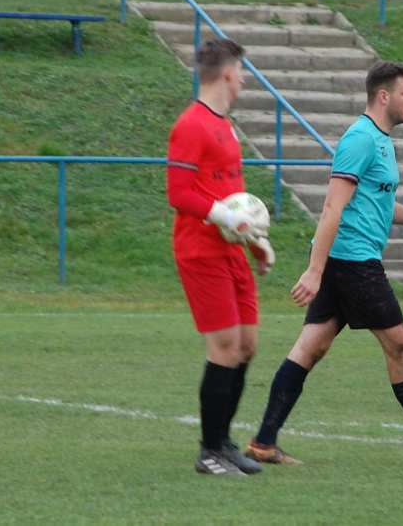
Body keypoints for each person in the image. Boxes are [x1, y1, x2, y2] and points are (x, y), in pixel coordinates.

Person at [244, 61, 403, 467]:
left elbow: (379, 205)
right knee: (402, 346)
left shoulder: (380, 141)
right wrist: (315, 269)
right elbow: (332, 207)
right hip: (353, 263)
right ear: (384, 96)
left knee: (310, 348)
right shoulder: (360, 139)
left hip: (349, 262)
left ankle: (264, 441)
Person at [166, 38, 275, 477]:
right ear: (228, 73)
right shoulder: (191, 125)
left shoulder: (226, 126)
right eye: (243, 70)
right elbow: (180, 193)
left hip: (231, 251)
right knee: (225, 348)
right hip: (200, 251)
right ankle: (210, 452)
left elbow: (234, 200)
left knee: (246, 347)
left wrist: (255, 241)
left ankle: (225, 444)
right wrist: (225, 215)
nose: (246, 78)